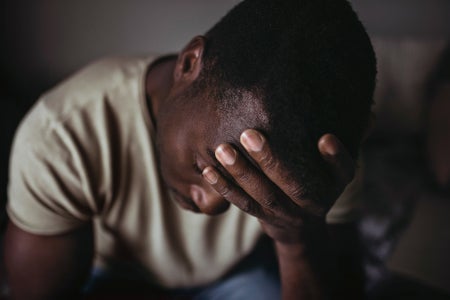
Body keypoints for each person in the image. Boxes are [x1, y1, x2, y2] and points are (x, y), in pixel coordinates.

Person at [3, 0, 376, 299]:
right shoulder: (63, 132)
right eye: (204, 166)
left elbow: (342, 282)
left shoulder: (328, 152)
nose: (212, 205)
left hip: (239, 274)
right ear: (189, 62)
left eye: (248, 187)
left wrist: (298, 240)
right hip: (109, 274)